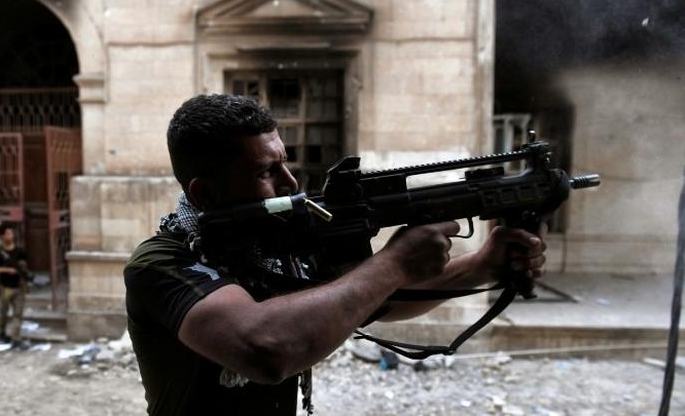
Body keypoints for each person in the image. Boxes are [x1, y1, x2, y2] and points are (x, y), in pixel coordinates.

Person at [124, 94, 547, 415]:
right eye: (265, 172)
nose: (290, 183)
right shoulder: (161, 265)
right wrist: (394, 261)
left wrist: (481, 266)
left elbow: (366, 302)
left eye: (284, 163)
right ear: (204, 192)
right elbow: (264, 349)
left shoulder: (271, 242)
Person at [0, 222, 30, 350]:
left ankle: (16, 338)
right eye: (8, 233)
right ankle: (1, 334)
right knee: (3, 313)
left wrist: (23, 275)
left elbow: (25, 267)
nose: (11, 235)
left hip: (18, 287)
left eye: (11, 233)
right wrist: (5, 270)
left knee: (18, 314)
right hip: (4, 287)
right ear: (1, 236)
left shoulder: (20, 251)